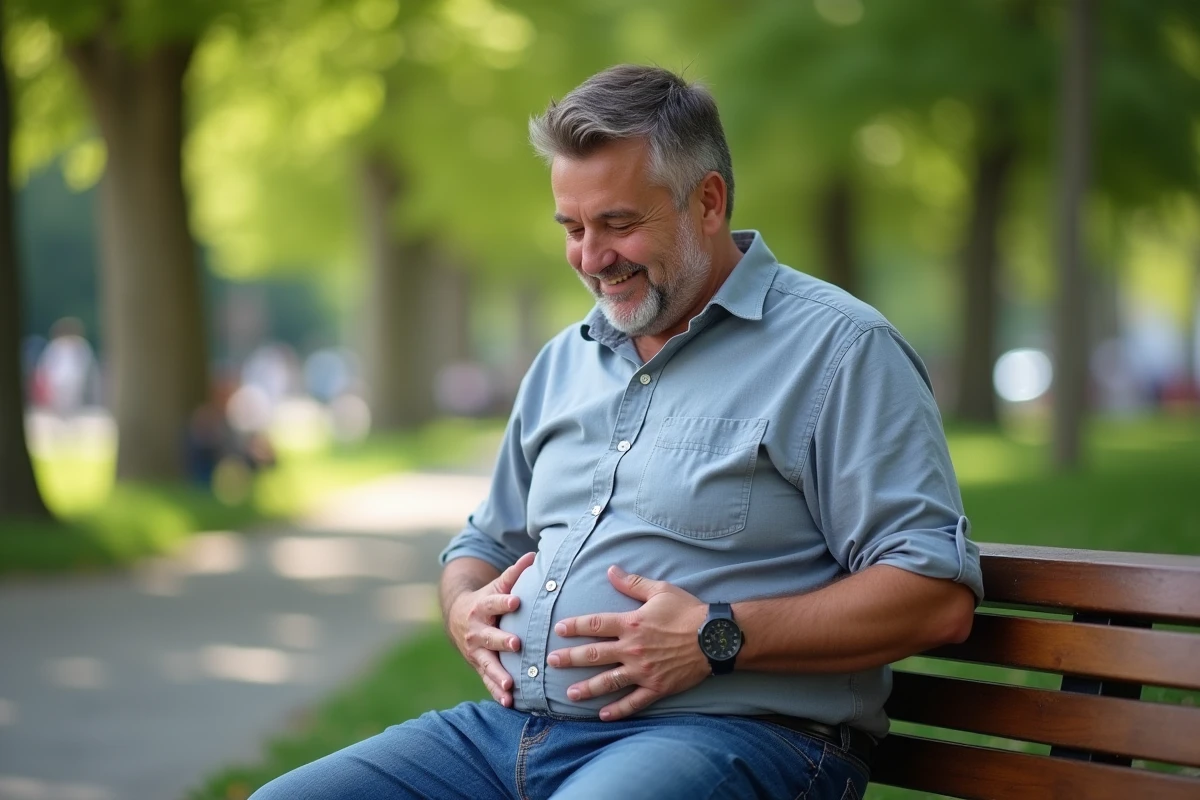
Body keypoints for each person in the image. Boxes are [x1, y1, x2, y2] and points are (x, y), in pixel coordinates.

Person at [252, 64, 983, 800]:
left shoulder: (840, 350)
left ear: (709, 202)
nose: (591, 258)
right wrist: (463, 609)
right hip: (513, 735)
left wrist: (714, 637)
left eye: (619, 224)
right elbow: (480, 546)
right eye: (572, 228)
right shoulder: (562, 361)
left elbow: (935, 595)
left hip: (739, 737)